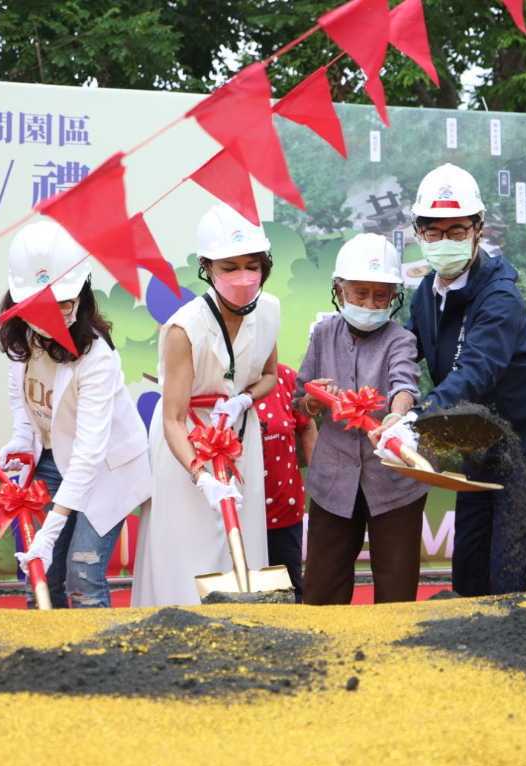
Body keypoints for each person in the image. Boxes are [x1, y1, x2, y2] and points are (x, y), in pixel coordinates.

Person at [403, 163, 526, 597]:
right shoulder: (426, 294)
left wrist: (419, 416)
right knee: (470, 560)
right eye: (433, 232)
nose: (445, 242)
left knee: (509, 563)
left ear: (479, 230)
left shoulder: (500, 296)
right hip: (479, 437)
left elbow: (476, 370)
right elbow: (405, 350)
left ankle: (518, 648)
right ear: (418, 232)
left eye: (456, 231)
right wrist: (385, 397)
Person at [0, 219, 153, 608]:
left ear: (82, 295)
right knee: (41, 578)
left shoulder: (97, 357)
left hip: (103, 469)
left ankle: (97, 666)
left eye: (62, 303)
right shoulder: (22, 338)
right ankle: (44, 662)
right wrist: (21, 442)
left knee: (82, 575)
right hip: (50, 459)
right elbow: (23, 402)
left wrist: (50, 530)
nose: (51, 316)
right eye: (38, 306)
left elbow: (88, 454)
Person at [132, 203, 279, 607]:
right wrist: (202, 477)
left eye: (253, 265)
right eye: (229, 267)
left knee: (242, 543)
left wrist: (245, 399)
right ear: (207, 267)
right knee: (185, 549)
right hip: (187, 447)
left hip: (239, 440)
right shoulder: (185, 328)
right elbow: (173, 418)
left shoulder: (269, 311)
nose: (244, 278)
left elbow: (269, 375)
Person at [296, 233, 428, 604]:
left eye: (381, 294)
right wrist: (314, 400)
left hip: (393, 483)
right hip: (332, 482)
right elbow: (299, 399)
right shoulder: (323, 334)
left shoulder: (400, 339)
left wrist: (396, 418)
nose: (370, 303)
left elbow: (406, 385)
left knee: (396, 593)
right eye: (360, 293)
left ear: (394, 297)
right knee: (322, 590)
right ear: (339, 292)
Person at [257, 361, 315, 602]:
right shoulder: (219, 381)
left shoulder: (285, 377)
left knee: (289, 596)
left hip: (283, 510)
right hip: (233, 517)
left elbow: (307, 425)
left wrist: (320, 479)